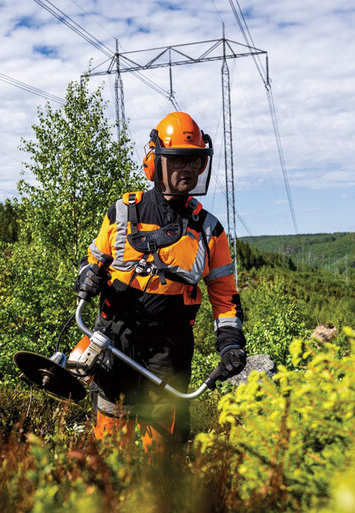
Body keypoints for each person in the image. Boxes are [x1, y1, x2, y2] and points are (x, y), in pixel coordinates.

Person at [75, 112, 246, 450]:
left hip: (170, 348)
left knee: (163, 458)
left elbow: (225, 299)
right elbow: (90, 262)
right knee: (111, 451)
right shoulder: (123, 212)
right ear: (154, 163)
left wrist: (230, 342)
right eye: (178, 160)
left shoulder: (209, 229)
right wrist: (88, 278)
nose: (188, 169)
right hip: (114, 340)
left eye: (194, 160)